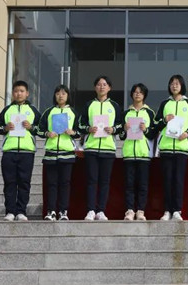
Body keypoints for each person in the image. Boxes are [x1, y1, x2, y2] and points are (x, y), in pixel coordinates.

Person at [153, 75, 188, 221]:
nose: (174, 86)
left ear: (182, 86)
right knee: (167, 180)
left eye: (177, 84)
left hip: (181, 148)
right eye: (172, 83)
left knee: (178, 180)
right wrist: (164, 120)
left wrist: (187, 133)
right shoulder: (164, 103)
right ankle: (167, 210)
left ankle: (177, 211)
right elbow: (155, 124)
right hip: (166, 147)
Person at [0, 80, 40, 221]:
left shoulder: (33, 110)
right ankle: (10, 211)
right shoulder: (7, 110)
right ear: (12, 94)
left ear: (27, 93)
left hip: (27, 152)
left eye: (21, 91)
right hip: (9, 151)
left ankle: (21, 211)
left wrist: (31, 127)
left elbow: (42, 128)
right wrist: (5, 128)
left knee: (24, 183)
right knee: (9, 182)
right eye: (16, 91)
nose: (18, 94)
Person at [77, 75, 120, 221]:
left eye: (105, 84)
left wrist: (113, 129)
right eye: (99, 84)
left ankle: (101, 210)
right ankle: (90, 210)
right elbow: (80, 124)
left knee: (104, 181)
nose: (102, 87)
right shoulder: (89, 105)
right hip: (91, 148)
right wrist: (88, 129)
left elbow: (120, 125)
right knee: (91, 180)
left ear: (109, 88)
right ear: (95, 87)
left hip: (108, 148)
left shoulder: (114, 106)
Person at [37, 85, 78, 221]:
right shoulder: (48, 112)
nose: (61, 96)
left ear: (68, 96)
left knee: (65, 184)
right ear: (54, 96)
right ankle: (51, 211)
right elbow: (38, 129)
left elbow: (80, 130)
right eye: (58, 93)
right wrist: (47, 133)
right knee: (52, 184)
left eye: (63, 93)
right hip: (51, 153)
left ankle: (63, 211)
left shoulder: (73, 112)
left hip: (67, 153)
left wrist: (73, 132)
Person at [117, 83, 156, 221]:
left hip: (143, 153)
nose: (137, 94)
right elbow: (121, 136)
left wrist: (146, 129)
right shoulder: (126, 113)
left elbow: (153, 134)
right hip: (129, 153)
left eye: (140, 92)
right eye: (135, 92)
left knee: (142, 185)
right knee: (129, 184)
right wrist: (124, 129)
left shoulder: (150, 113)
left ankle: (140, 211)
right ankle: (129, 210)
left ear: (144, 95)